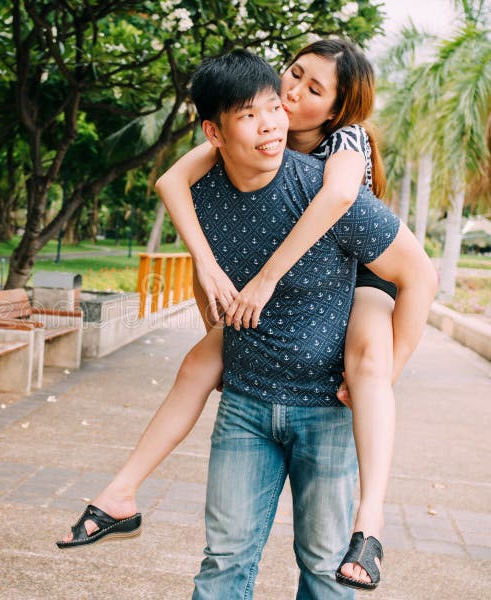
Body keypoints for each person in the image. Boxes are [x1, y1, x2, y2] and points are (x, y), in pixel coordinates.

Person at [59, 48, 437, 597]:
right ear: (216, 131)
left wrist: (387, 373)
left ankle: (370, 524)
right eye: (292, 79)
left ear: (333, 111)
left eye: (308, 94)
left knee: (370, 372)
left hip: (338, 373)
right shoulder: (208, 180)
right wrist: (206, 270)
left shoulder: (337, 172)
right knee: (223, 562)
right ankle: (121, 494)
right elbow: (171, 186)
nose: (284, 106)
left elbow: (412, 270)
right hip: (246, 404)